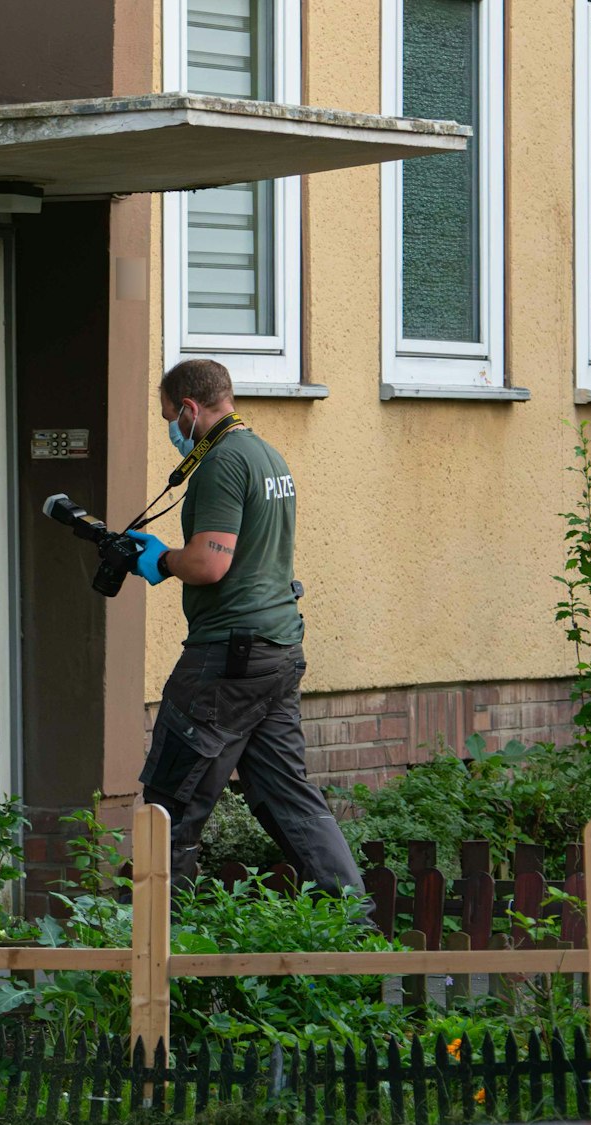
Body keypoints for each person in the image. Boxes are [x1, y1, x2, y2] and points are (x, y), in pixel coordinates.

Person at [125, 359, 368, 900]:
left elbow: (212, 564)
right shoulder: (266, 455)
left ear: (189, 409)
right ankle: (357, 932)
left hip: (227, 658)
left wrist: (161, 561)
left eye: (169, 416)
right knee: (289, 797)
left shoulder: (221, 463)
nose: (170, 428)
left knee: (171, 803)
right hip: (277, 651)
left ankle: (143, 943)